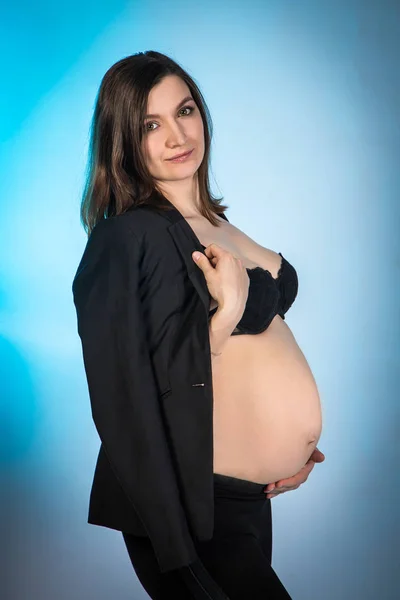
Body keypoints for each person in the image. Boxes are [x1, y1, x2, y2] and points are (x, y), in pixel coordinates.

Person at [72, 50, 326, 599]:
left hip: (248, 501)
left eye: (184, 110)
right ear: (123, 140)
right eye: (150, 124)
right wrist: (227, 315)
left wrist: (291, 446)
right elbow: (127, 396)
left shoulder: (217, 223)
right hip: (191, 509)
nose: (176, 135)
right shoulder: (129, 237)